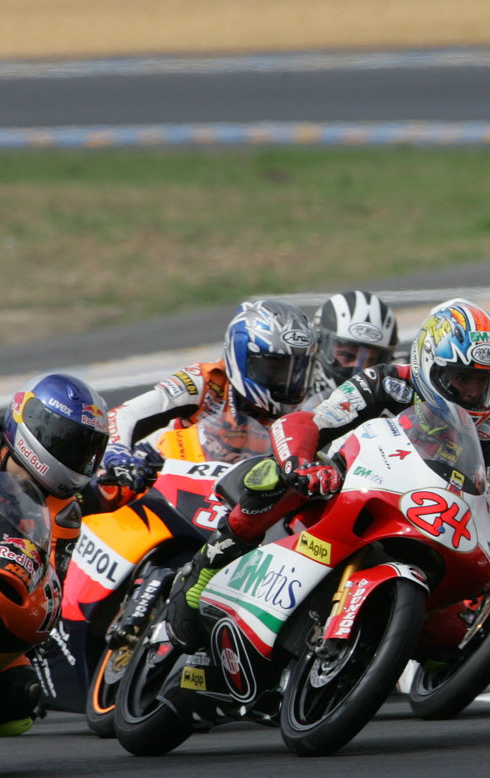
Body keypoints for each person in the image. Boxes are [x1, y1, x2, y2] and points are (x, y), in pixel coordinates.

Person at [163, 299, 490, 649]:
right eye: (463, 377)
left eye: (483, 382)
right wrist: (299, 463)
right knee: (270, 475)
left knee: (455, 638)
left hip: (420, 517)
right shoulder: (386, 382)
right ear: (429, 364)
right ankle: (208, 563)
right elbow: (311, 421)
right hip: (338, 485)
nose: (470, 391)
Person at [97, 298, 316, 506]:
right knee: (105, 491)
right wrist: (119, 457)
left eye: (297, 370)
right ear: (242, 357)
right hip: (161, 481)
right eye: (275, 368)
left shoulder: (305, 410)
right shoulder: (205, 380)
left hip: (234, 501)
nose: (286, 381)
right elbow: (125, 414)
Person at [0, 373, 112, 736]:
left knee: (18, 701)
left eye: (87, 449)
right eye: (69, 442)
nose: (79, 456)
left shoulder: (65, 512)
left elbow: (51, 578)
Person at [307, 289, 399, 402]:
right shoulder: (295, 395)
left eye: (371, 360)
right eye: (347, 355)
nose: (359, 369)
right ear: (318, 345)